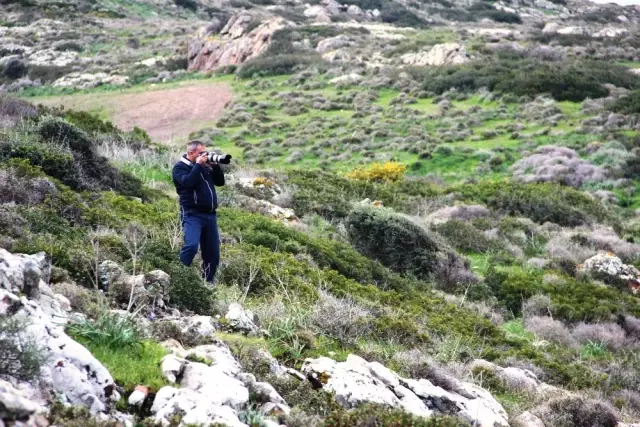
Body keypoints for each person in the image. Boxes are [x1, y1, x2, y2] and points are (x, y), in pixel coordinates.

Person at [172, 140, 225, 284]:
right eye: (201, 153)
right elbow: (188, 182)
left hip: (210, 215)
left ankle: (208, 284)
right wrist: (198, 165)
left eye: (205, 152)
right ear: (191, 153)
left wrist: (215, 167)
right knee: (191, 246)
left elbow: (220, 182)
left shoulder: (204, 166)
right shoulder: (179, 168)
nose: (204, 155)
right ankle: (177, 277)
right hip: (192, 214)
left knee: (213, 254)